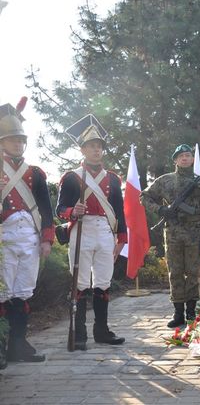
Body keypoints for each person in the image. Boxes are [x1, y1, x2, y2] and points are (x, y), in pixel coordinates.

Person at [56, 115, 126, 350]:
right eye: (92, 146)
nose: (96, 150)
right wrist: (72, 211)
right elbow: (60, 209)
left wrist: (121, 239)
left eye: (99, 146)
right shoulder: (72, 177)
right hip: (82, 230)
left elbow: (119, 212)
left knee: (104, 282)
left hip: (105, 231)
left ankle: (102, 330)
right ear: (83, 149)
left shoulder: (113, 179)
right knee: (81, 282)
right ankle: (80, 334)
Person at [0, 101, 54, 363]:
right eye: (12, 140)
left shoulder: (35, 173)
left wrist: (46, 239)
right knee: (3, 292)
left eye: (20, 140)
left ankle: (18, 345)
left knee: (22, 291)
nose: (17, 145)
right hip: (3, 239)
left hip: (29, 239)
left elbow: (46, 209)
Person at [141, 144, 200, 328]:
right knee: (175, 273)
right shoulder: (164, 180)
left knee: (192, 273)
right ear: (175, 160)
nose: (184, 158)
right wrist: (161, 209)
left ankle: (191, 312)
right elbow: (144, 196)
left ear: (191, 159)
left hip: (194, 234)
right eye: (181, 156)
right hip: (173, 233)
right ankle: (178, 313)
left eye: (188, 155)